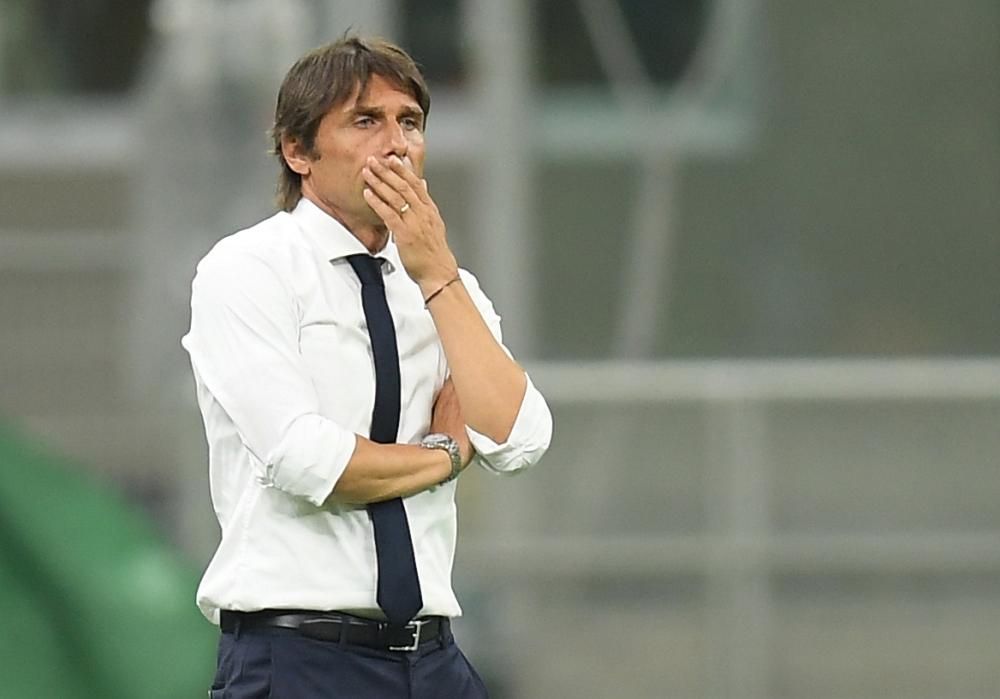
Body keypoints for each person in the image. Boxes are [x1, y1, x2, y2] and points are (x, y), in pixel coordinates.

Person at [181, 34, 552, 699]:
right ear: (298, 152)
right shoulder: (247, 270)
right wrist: (445, 455)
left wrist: (437, 272)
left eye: (409, 121)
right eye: (365, 120)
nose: (397, 143)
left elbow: (519, 436)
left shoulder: (443, 285)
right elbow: (309, 459)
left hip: (434, 659)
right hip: (299, 655)